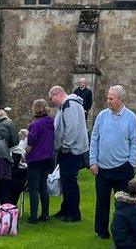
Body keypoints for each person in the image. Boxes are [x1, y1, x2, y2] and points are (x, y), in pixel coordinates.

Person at [89, 85, 136, 240]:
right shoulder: (101, 116)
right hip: (102, 168)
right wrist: (93, 161)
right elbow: (95, 138)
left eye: (111, 98)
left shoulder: (131, 117)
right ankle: (101, 232)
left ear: (120, 99)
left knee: (124, 203)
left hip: (122, 168)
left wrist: (130, 163)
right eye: (108, 98)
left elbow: (135, 142)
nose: (108, 101)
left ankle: (123, 232)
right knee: (102, 202)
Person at [49, 85, 89, 223]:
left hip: (71, 151)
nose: (52, 101)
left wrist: (66, 145)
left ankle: (73, 213)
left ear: (56, 94)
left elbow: (71, 127)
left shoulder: (69, 105)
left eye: (51, 98)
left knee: (70, 182)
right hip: (71, 149)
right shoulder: (69, 105)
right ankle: (66, 209)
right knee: (66, 181)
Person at [25, 98, 54, 223]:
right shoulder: (51, 122)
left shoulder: (35, 124)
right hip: (48, 157)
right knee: (43, 186)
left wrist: (24, 153)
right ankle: (45, 214)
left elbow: (31, 142)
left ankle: (33, 216)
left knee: (33, 188)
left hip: (36, 159)